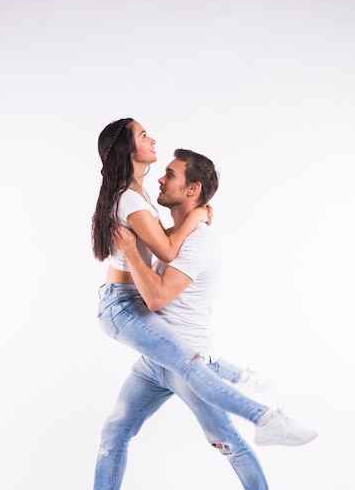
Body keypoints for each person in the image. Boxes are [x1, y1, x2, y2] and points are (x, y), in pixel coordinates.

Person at [50, 149, 316, 490]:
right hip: (154, 360)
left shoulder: (197, 244)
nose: (160, 179)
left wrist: (135, 244)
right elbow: (156, 248)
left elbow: (155, 298)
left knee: (226, 441)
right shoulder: (174, 235)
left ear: (192, 189)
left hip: (185, 357)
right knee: (115, 428)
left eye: (170, 175)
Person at [87, 117, 317, 442]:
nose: (152, 139)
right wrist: (194, 217)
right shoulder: (130, 198)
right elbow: (165, 252)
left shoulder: (133, 196)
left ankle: (240, 377)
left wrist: (187, 223)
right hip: (123, 304)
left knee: (117, 429)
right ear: (128, 150)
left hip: (124, 298)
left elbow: (153, 239)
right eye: (143, 135)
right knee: (192, 364)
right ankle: (264, 418)